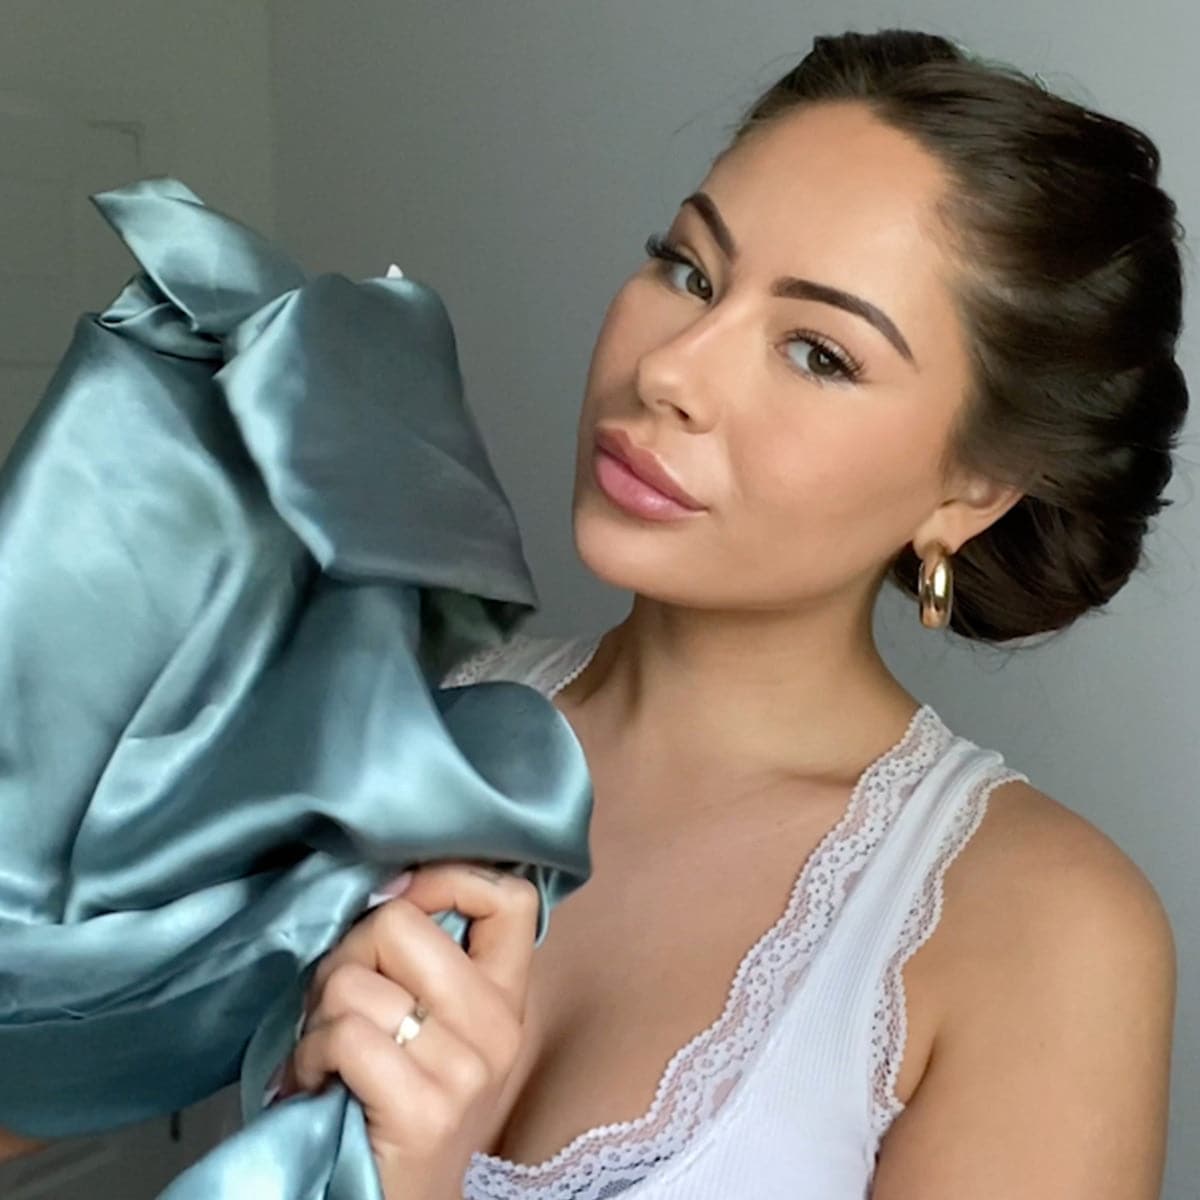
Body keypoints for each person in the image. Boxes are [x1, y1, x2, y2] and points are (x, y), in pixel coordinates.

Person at [3, 26, 1186, 1200]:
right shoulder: (377, 725)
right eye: (689, 271)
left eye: (819, 353)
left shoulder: (1043, 932)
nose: (671, 371)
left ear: (972, 489)